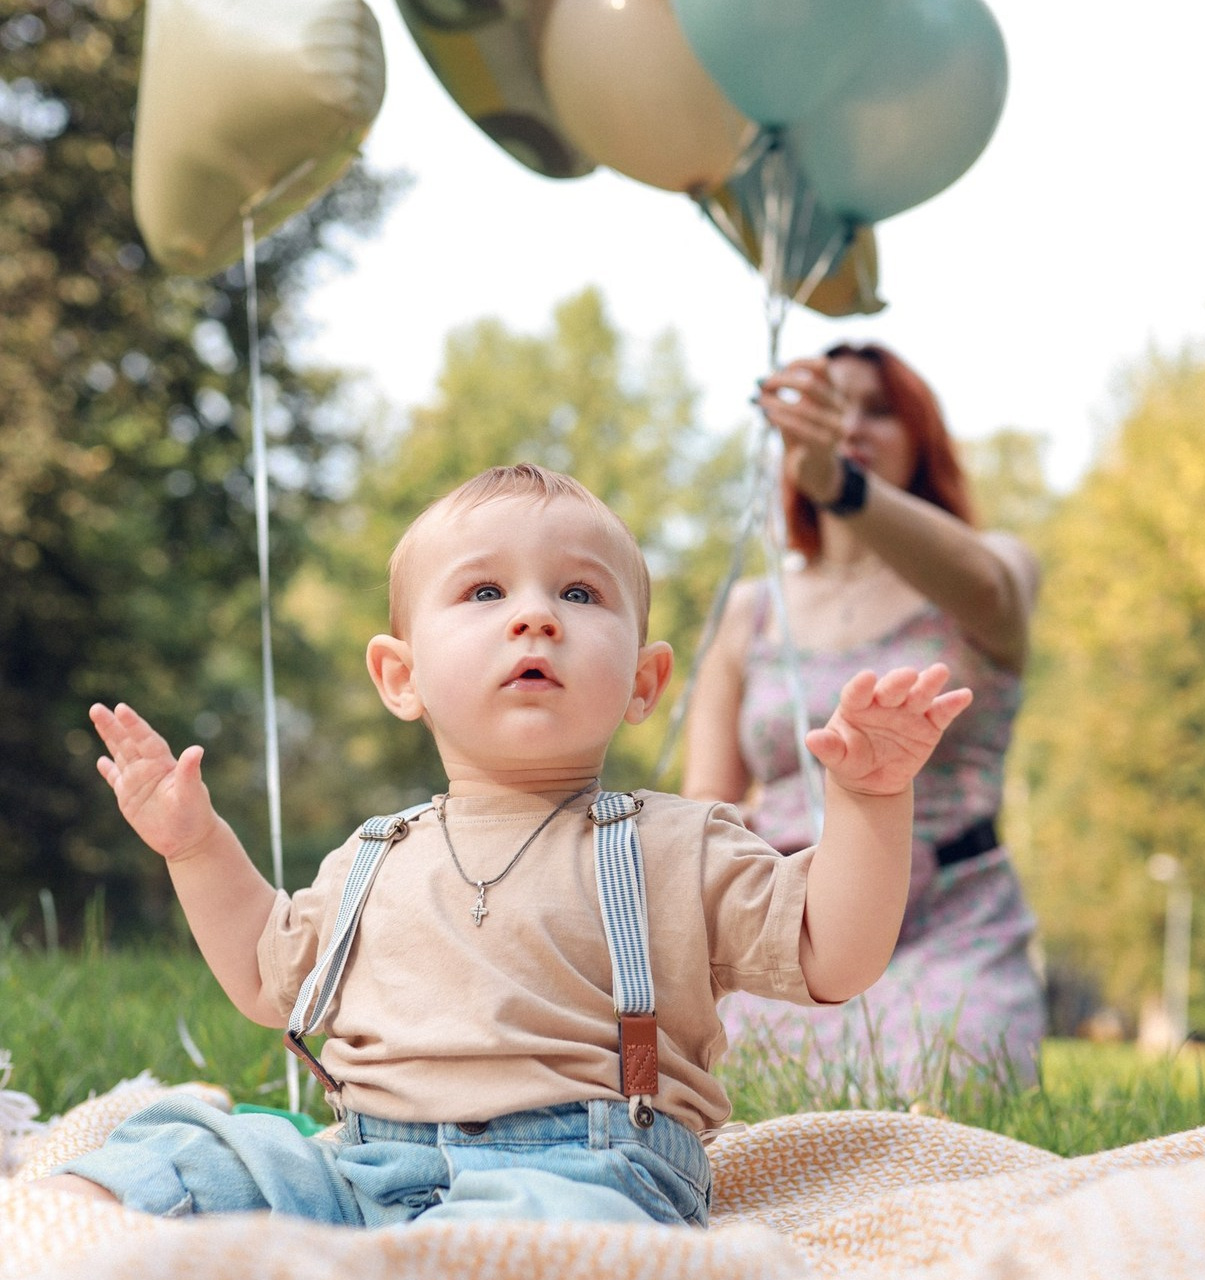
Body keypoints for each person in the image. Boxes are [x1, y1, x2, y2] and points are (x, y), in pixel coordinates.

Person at [39, 463, 970, 1229]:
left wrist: (868, 800)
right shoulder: (376, 853)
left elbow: (834, 954)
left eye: (579, 591)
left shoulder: (680, 844)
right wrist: (195, 845)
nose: (537, 615)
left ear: (645, 681)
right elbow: (262, 973)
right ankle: (62, 1231)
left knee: (543, 1235)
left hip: (586, 1176)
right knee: (188, 1149)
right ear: (401, 676)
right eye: (486, 590)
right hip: (363, 1165)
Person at [681, 345, 1047, 1093]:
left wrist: (839, 484)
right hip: (784, 935)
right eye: (832, 404)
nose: (851, 424)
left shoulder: (989, 568)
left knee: (948, 1106)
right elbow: (705, 811)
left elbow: (989, 586)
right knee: (732, 1116)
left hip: (952, 927)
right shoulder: (751, 613)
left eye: (877, 409)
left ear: (921, 439)